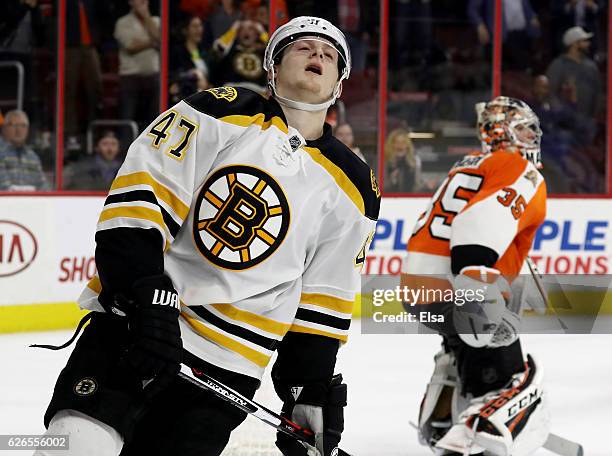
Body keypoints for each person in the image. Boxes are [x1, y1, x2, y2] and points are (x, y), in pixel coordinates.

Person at [35, 16, 379, 456]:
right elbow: (139, 203)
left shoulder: (355, 186)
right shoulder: (220, 111)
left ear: (339, 86)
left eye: (330, 55)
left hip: (228, 369)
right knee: (72, 446)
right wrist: (143, 296)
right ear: (272, 67)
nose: (318, 56)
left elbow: (321, 301)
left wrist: (308, 389)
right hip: (138, 329)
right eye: (303, 48)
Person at [401, 97, 549, 455]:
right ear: (503, 132)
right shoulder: (520, 169)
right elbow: (476, 226)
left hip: (418, 288)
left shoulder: (468, 165)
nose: (532, 135)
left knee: (461, 347)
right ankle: (471, 437)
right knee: (512, 381)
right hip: (458, 287)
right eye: (524, 128)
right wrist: (477, 296)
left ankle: (441, 413)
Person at [114, 0, 161, 130]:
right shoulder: (123, 23)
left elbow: (162, 40)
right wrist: (153, 42)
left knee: (155, 118)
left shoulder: (156, 21)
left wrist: (147, 18)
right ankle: (125, 147)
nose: (143, 2)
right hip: (130, 77)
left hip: (153, 76)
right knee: (127, 117)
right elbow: (131, 46)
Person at [546, 26, 602, 119]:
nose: (588, 44)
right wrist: (561, 113)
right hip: (565, 121)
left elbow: (597, 91)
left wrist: (594, 114)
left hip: (587, 120)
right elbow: (550, 92)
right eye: (584, 41)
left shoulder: (591, 65)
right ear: (575, 44)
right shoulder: (558, 64)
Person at [211, 19, 268, 92]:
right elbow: (218, 48)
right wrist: (232, 30)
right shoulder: (230, 51)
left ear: (257, 35)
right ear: (237, 34)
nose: (246, 31)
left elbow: (275, 50)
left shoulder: (263, 52)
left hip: (257, 92)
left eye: (251, 29)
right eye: (242, 29)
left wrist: (262, 31)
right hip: (233, 90)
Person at [0, 109, 48, 191]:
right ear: (5, 128)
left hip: (32, 203)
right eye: (14, 125)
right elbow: (4, 188)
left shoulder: (32, 157)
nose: (19, 130)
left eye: (23, 126)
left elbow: (44, 188)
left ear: (28, 129)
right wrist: (32, 190)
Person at [169, 15, 211, 103]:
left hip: (206, 96)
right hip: (186, 97)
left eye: (200, 26)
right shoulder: (178, 51)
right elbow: (173, 74)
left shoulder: (205, 51)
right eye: (195, 26)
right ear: (185, 30)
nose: (199, 29)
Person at [384, 127, 421, 192]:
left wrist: (428, 185)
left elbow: (418, 183)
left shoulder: (414, 160)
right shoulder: (385, 161)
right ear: (392, 144)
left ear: (407, 145)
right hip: (389, 198)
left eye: (403, 142)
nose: (400, 145)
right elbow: (378, 185)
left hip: (409, 198)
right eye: (397, 142)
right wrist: (391, 180)